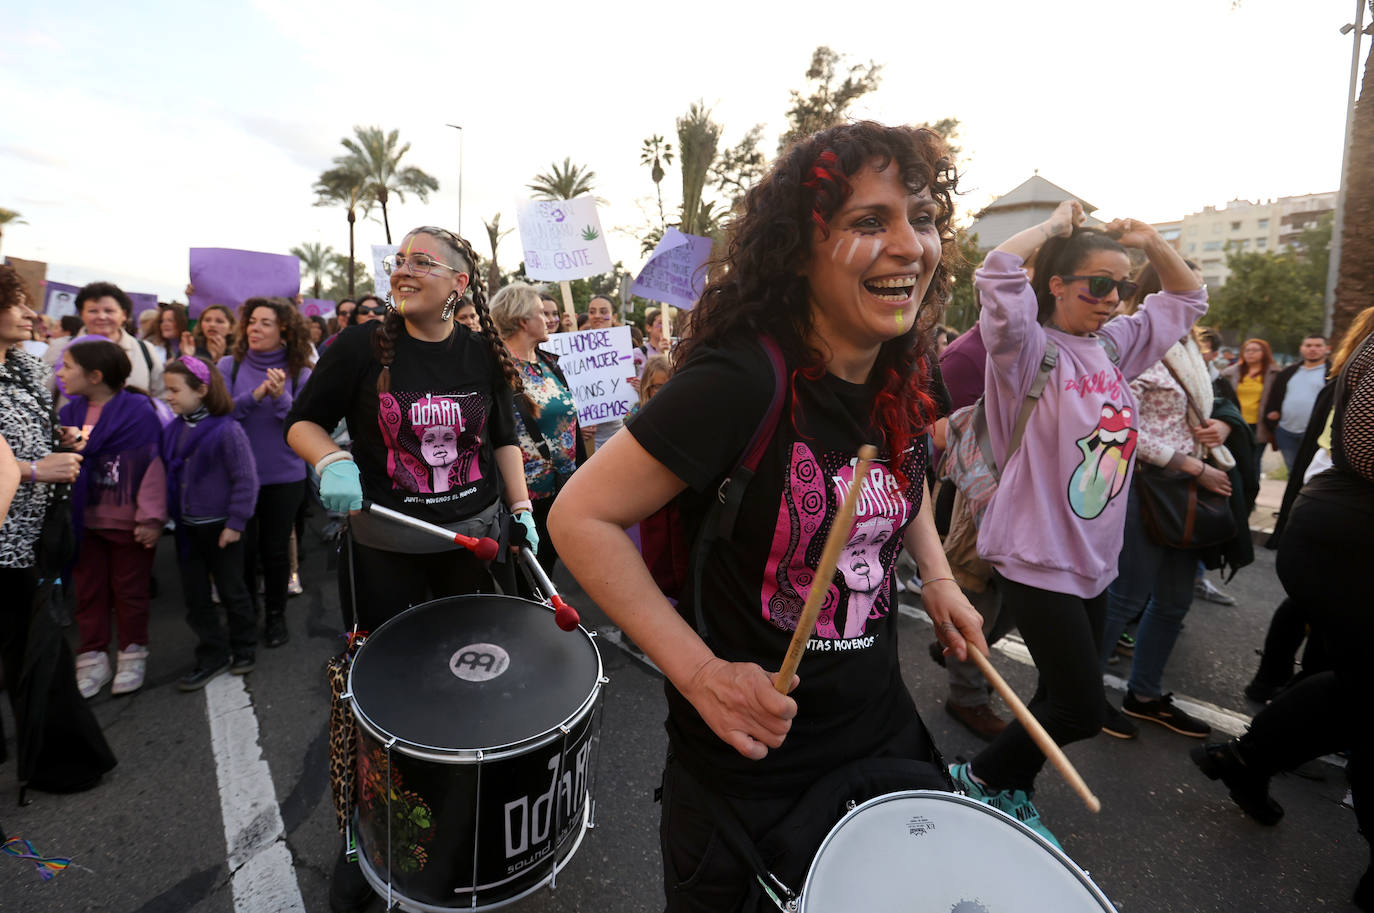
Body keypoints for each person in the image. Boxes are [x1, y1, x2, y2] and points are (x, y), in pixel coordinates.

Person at [549, 122, 986, 912]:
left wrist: (940, 575)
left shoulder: (906, 366)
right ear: (801, 247)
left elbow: (903, 467)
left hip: (880, 733)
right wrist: (702, 676)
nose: (909, 245)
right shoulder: (744, 378)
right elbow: (580, 516)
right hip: (751, 769)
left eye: (922, 219)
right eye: (869, 220)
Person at [285, 225, 535, 913]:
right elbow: (302, 422)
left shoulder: (480, 351)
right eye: (398, 260)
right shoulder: (360, 345)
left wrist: (521, 508)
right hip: (385, 556)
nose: (404, 269)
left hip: (471, 553)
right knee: (385, 702)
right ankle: (371, 836)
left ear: (459, 282)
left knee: (467, 694)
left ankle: (458, 827)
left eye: (421, 261)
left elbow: (503, 437)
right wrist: (330, 459)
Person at [948, 199, 1207, 844]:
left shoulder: (1113, 349)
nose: (1113, 299)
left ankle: (1009, 786)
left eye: (1122, 286)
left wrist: (1151, 242)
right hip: (1036, 553)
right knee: (1081, 709)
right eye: (1097, 284)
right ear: (1057, 285)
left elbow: (1186, 298)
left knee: (1058, 695)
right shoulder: (1026, 350)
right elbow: (999, 270)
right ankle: (979, 778)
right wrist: (1053, 228)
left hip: (1093, 557)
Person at [1192, 326, 1374, 912]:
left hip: (1339, 532)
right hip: (1348, 537)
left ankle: (1247, 759)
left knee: (1356, 685)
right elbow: (1364, 446)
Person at [1096, 263, 1239, 740]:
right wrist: (1194, 466)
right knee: (1125, 597)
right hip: (1149, 485)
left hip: (1187, 488)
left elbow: (1211, 404)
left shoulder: (1190, 346)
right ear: (1163, 293)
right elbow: (1119, 429)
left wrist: (1222, 425)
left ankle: (1144, 695)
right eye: (1189, 284)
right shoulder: (1135, 344)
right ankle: (1082, 696)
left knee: (1175, 602)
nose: (1200, 293)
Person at [0, 265, 117, 797]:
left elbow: (32, 431)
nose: (31, 312)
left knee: (34, 649)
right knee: (29, 651)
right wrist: (33, 470)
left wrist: (59, 439)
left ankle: (56, 759)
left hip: (34, 536)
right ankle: (53, 761)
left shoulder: (23, 365)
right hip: (3, 544)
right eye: (16, 302)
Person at [58, 338, 167, 698]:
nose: (60, 374)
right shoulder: (68, 414)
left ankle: (132, 652)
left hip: (128, 521)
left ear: (94, 376)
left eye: (67, 366)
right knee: (88, 592)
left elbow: (152, 466)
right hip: (82, 519)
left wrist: (150, 518)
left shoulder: (138, 412)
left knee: (130, 591)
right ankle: (92, 655)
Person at [161, 357, 260, 690]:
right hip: (187, 528)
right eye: (166, 389)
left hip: (221, 527)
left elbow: (245, 479)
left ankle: (244, 646)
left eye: (175, 390)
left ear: (201, 390)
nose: (168, 396)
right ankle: (212, 652)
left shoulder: (226, 429)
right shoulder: (173, 430)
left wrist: (236, 523)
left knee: (233, 591)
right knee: (196, 596)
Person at [219, 298, 312, 649]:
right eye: (251, 321)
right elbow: (221, 416)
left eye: (265, 323)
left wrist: (279, 398)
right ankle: (246, 616)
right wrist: (256, 395)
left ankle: (276, 615)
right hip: (237, 477)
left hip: (284, 478)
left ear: (284, 329)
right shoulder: (229, 366)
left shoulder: (301, 372)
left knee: (274, 552)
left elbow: (303, 425)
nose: (254, 329)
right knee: (241, 552)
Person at [490, 281, 582, 575]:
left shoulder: (548, 363)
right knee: (525, 579)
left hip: (560, 492)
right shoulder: (497, 368)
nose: (549, 319)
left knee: (548, 571)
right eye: (542, 312)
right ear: (523, 320)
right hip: (521, 501)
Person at [69, 282, 164, 398]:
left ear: (124, 314)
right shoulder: (62, 348)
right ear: (81, 314)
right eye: (93, 311)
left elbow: (161, 397)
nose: (102, 317)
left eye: (109, 311)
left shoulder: (145, 350)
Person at [1262, 333, 1331, 473]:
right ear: (1301, 348)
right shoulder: (1288, 372)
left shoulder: (1332, 374)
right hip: (1286, 432)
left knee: (1312, 473)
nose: (1312, 349)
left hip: (1315, 434)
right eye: (1308, 345)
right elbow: (1274, 397)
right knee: (1292, 471)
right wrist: (1273, 417)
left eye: (1318, 346)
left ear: (1327, 349)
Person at [1220, 337, 1279, 480]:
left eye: (1255, 350)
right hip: (1235, 423)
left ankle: (1252, 491)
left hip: (1259, 425)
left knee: (1253, 462)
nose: (1250, 353)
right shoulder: (1229, 373)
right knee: (1233, 459)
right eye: (1247, 350)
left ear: (1265, 352)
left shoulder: (1274, 374)